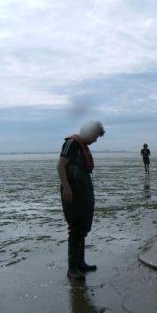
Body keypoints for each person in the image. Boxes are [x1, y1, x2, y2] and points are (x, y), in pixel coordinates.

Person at [57, 120, 105, 280]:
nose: (95, 140)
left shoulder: (82, 146)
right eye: (95, 137)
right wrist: (67, 188)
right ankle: (72, 269)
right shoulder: (71, 143)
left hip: (84, 192)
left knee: (83, 228)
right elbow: (60, 166)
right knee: (76, 228)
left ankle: (81, 263)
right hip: (74, 193)